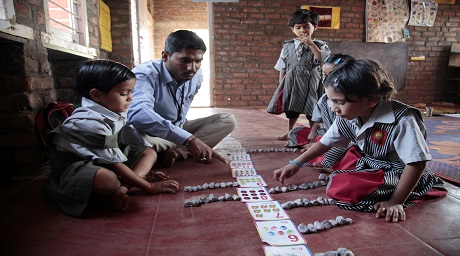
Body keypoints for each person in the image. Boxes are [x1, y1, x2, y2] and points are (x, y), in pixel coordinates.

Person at [273, 59, 446, 223]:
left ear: (371, 99)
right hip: (371, 165)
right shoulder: (349, 114)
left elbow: (416, 163)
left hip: (400, 172)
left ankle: (399, 191)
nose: (334, 109)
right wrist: (296, 163)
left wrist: (395, 201)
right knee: (341, 166)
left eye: (339, 102)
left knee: (345, 187)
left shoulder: (403, 119)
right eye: (331, 101)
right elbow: (326, 142)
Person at [42, 60, 179, 218]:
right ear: (96, 95)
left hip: (102, 159)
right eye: (123, 94)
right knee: (108, 180)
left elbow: (132, 143)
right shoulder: (90, 123)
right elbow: (116, 164)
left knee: (150, 152)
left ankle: (122, 190)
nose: (131, 99)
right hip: (75, 166)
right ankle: (112, 191)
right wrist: (149, 187)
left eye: (131, 92)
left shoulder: (112, 110)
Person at [128, 30, 237, 167]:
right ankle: (178, 147)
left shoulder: (196, 74)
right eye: (184, 60)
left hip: (177, 126)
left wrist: (184, 136)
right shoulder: (145, 75)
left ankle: (177, 152)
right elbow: (139, 114)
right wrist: (189, 140)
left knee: (227, 120)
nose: (192, 68)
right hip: (150, 132)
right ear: (165, 56)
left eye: (198, 61)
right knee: (134, 139)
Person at [267, 9, 330, 141]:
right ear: (293, 29)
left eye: (307, 26)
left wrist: (311, 44)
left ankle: (314, 134)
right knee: (291, 109)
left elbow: (323, 60)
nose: (303, 30)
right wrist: (282, 84)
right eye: (298, 27)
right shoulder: (288, 46)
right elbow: (282, 66)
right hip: (292, 81)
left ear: (315, 27)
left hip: (312, 82)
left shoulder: (320, 45)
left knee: (312, 109)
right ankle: (290, 132)